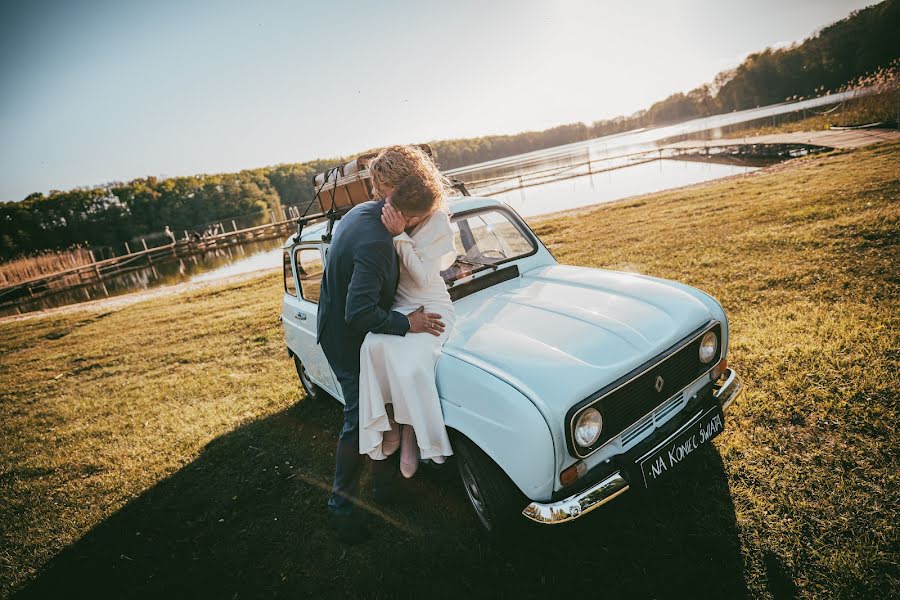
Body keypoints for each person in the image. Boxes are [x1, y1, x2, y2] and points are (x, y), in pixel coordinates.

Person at [316, 147, 445, 545]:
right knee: (359, 419)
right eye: (418, 218)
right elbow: (358, 314)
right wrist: (409, 322)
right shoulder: (375, 240)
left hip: (357, 332)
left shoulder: (361, 212)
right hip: (348, 340)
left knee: (385, 408)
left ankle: (385, 489)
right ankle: (341, 509)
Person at [358, 166, 456, 479]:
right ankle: (391, 422)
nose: (409, 223)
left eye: (413, 220)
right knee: (372, 345)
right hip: (401, 308)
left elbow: (424, 275)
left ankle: (414, 432)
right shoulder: (391, 211)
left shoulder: (438, 221)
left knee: (413, 362)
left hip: (433, 305)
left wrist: (400, 235)